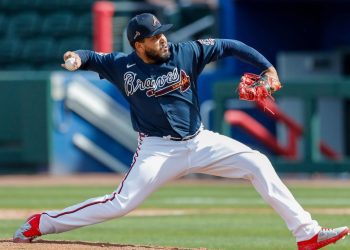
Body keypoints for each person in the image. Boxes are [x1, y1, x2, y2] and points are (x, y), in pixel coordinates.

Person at [13, 13, 348, 250]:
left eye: (163, 33)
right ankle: (42, 223)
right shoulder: (122, 66)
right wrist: (75, 57)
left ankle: (307, 234)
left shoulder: (187, 52)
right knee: (121, 203)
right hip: (157, 150)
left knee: (258, 163)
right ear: (138, 43)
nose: (163, 39)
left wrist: (267, 68)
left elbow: (230, 45)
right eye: (155, 37)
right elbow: (91, 57)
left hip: (200, 141)